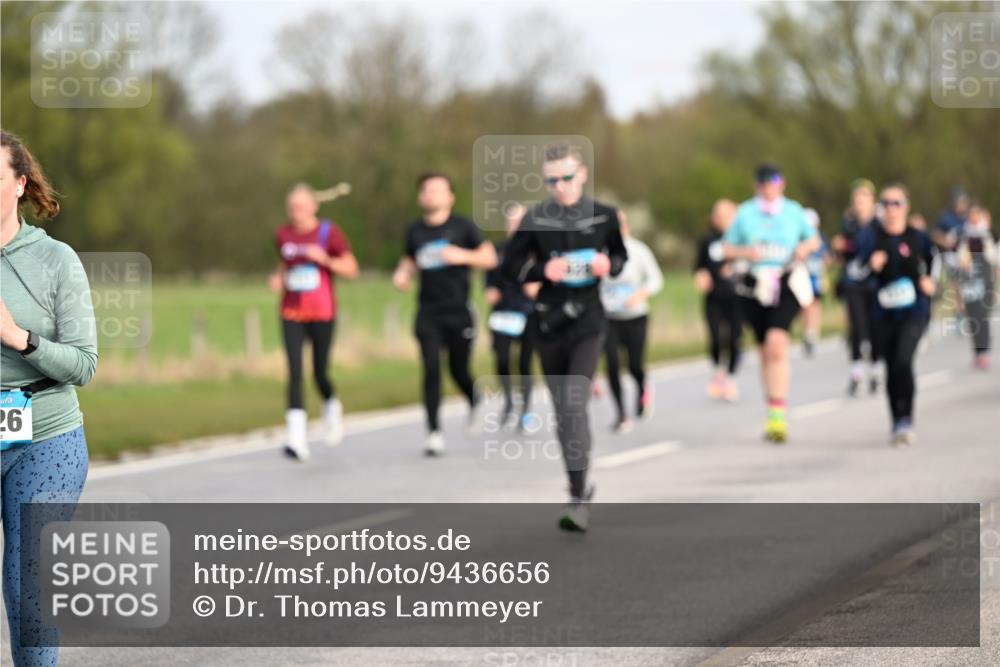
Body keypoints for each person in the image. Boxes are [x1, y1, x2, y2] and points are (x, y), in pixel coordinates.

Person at [1, 130, 97, 667]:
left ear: (19, 184)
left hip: (46, 434)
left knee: (28, 585)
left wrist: (19, 337)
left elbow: (83, 363)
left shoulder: (56, 260)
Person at [501, 144, 627, 531]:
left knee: (574, 401)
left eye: (566, 178)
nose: (560, 187)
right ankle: (578, 487)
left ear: (583, 175)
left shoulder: (604, 215)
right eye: (551, 180)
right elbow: (511, 268)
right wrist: (542, 271)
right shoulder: (535, 219)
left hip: (588, 322)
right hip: (548, 324)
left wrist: (609, 264)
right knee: (563, 413)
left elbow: (621, 258)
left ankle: (577, 498)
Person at [393, 172, 497, 456]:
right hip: (428, 310)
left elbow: (489, 258)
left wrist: (462, 256)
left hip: (459, 310)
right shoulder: (414, 231)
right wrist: (402, 273)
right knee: (430, 368)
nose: (431, 195)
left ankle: (474, 396)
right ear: (420, 197)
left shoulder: (463, 226)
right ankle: (434, 432)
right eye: (426, 190)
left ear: (450, 196)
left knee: (458, 368)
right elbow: (410, 259)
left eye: (438, 190)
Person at [724, 164, 819, 444]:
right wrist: (745, 252)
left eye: (773, 181)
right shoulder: (744, 213)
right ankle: (772, 409)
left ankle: (779, 415)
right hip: (754, 286)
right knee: (765, 350)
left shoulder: (793, 210)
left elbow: (813, 239)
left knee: (778, 345)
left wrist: (805, 247)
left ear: (782, 184)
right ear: (756, 186)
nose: (768, 187)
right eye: (763, 182)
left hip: (786, 280)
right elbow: (726, 248)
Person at [270, 183, 358, 461]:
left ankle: (331, 405)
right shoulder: (282, 235)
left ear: (314, 206)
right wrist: (277, 278)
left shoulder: (328, 232)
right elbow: (285, 265)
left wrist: (327, 260)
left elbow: (352, 269)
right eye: (291, 207)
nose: (296, 212)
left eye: (301, 206)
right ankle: (296, 439)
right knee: (294, 372)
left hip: (322, 311)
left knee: (319, 371)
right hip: (291, 311)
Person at [855, 182, 936, 446]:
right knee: (891, 368)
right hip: (882, 313)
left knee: (904, 360)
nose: (891, 209)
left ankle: (907, 418)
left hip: (913, 310)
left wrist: (931, 282)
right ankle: (896, 421)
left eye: (896, 203)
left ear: (906, 207)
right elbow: (855, 272)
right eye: (886, 204)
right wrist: (871, 265)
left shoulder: (918, 237)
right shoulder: (870, 237)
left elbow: (936, 262)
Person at [600, 211, 663, 433]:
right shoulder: (600, 250)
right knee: (612, 364)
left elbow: (656, 279)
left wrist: (641, 294)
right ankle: (621, 415)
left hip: (635, 316)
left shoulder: (638, 250)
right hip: (609, 318)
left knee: (634, 364)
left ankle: (643, 386)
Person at [484, 203, 538, 429]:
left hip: (528, 313)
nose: (515, 226)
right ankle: (508, 400)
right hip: (503, 313)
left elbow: (540, 280)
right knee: (502, 360)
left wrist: (534, 284)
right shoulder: (497, 250)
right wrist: (490, 290)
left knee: (525, 363)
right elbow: (489, 280)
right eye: (511, 221)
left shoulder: (535, 250)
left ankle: (525, 409)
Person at [833, 178, 881, 395]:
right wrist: (839, 248)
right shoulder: (848, 224)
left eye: (864, 198)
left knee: (874, 325)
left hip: (874, 282)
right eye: (856, 198)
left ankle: (876, 370)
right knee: (856, 326)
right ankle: (856, 371)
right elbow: (842, 253)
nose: (859, 202)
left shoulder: (879, 224)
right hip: (853, 281)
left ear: (872, 200)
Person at [695, 199, 743, 401]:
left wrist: (736, 267)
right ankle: (717, 371)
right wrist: (700, 275)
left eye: (727, 215)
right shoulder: (708, 240)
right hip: (714, 297)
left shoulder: (742, 239)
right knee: (715, 337)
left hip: (738, 297)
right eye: (719, 215)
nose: (722, 220)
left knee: (734, 338)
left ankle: (730, 377)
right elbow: (699, 266)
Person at [955, 202, 996, 370]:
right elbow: (958, 259)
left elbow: (994, 259)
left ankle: (984, 352)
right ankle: (977, 352)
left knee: (982, 316)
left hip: (985, 280)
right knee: (972, 318)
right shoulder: (963, 235)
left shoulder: (988, 234)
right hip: (969, 281)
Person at [801, 207, 831, 358]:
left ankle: (813, 332)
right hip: (803, 275)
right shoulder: (799, 238)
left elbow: (827, 256)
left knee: (815, 303)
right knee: (805, 304)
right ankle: (808, 330)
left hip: (816, 276)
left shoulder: (821, 237)